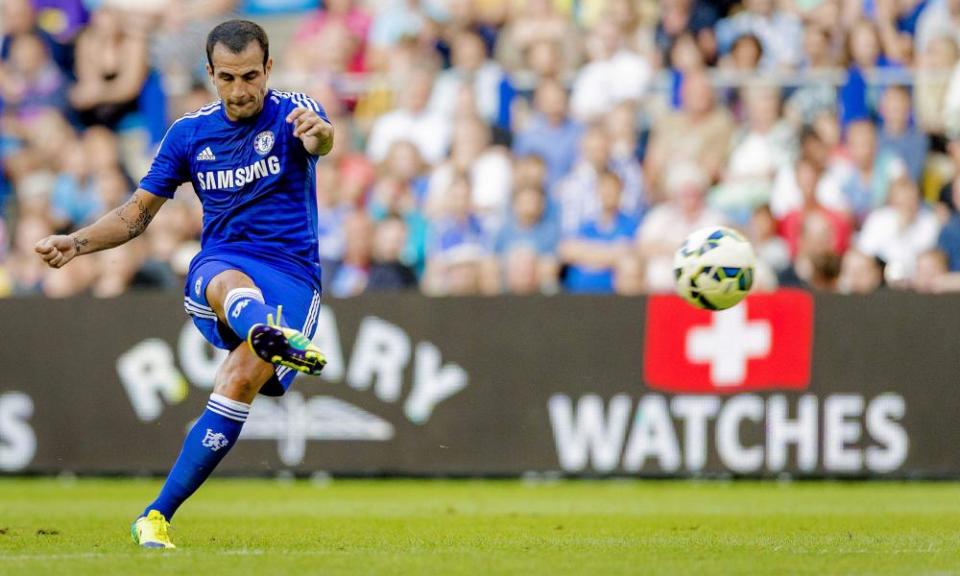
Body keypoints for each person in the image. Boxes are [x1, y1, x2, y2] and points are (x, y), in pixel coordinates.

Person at [33, 20, 333, 549]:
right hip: (222, 264)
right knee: (227, 278)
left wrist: (320, 136)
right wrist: (76, 243)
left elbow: (325, 139)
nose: (240, 90)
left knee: (238, 380)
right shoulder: (189, 134)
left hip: (292, 274)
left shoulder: (294, 113)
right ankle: (263, 328)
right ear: (209, 74)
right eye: (226, 78)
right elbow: (135, 216)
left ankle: (155, 515)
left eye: (249, 76)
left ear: (268, 69)